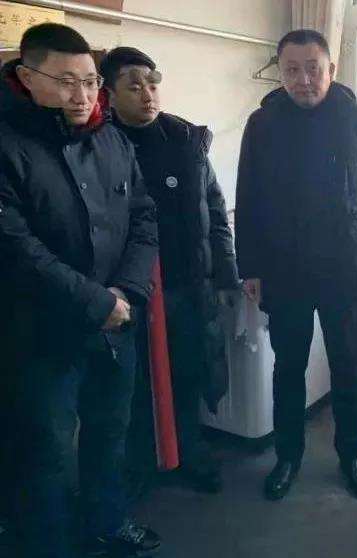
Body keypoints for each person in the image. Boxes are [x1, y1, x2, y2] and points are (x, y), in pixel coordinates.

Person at [0, 24, 160, 558]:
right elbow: (15, 248)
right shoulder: (8, 144)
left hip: (117, 321)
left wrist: (127, 291)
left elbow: (143, 218)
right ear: (27, 78)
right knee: (44, 449)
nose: (83, 95)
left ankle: (106, 524)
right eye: (66, 81)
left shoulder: (110, 137)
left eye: (91, 81)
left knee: (110, 432)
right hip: (42, 331)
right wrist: (98, 302)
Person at [235, 29, 357, 502]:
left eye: (313, 69)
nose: (303, 80)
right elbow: (248, 196)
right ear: (280, 74)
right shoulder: (263, 123)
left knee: (347, 367)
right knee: (288, 368)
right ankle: (287, 457)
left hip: (348, 267)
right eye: (292, 71)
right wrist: (250, 267)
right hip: (286, 269)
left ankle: (352, 456)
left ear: (331, 70)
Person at [99, 47, 240, 495]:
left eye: (152, 83)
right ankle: (139, 465)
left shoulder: (185, 140)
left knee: (188, 371)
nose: (147, 94)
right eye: (133, 86)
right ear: (109, 94)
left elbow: (215, 210)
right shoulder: (100, 145)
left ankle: (189, 450)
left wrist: (225, 272)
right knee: (134, 382)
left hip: (187, 281)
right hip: (131, 289)